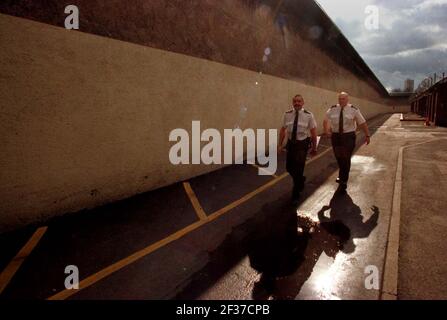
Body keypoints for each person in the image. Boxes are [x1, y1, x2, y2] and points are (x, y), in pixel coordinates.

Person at [323, 92, 370, 193]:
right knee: (339, 157)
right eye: (340, 99)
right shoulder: (333, 109)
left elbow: (362, 122)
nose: (341, 100)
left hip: (348, 137)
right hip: (336, 137)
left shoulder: (354, 109)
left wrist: (367, 135)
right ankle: (342, 175)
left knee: (345, 157)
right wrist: (327, 131)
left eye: (343, 99)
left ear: (347, 99)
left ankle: (343, 181)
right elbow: (325, 120)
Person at [278, 94, 317, 203]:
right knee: (289, 168)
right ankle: (300, 180)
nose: (297, 103)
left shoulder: (309, 115)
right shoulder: (287, 114)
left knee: (299, 169)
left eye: (299, 101)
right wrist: (280, 145)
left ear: (303, 103)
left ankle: (295, 194)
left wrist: (314, 148)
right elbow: (282, 130)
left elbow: (313, 133)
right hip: (291, 144)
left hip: (302, 144)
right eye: (295, 101)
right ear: (292, 103)